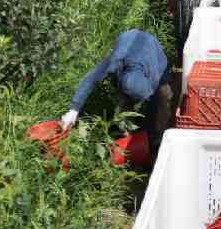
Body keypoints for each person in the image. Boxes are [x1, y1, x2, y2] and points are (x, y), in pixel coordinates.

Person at [61, 29, 174, 160]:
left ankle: (156, 140)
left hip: (150, 47)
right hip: (128, 42)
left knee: (164, 96)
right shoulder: (116, 62)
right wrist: (74, 109)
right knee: (124, 105)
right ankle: (124, 136)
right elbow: (91, 78)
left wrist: (152, 123)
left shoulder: (155, 71)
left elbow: (154, 97)